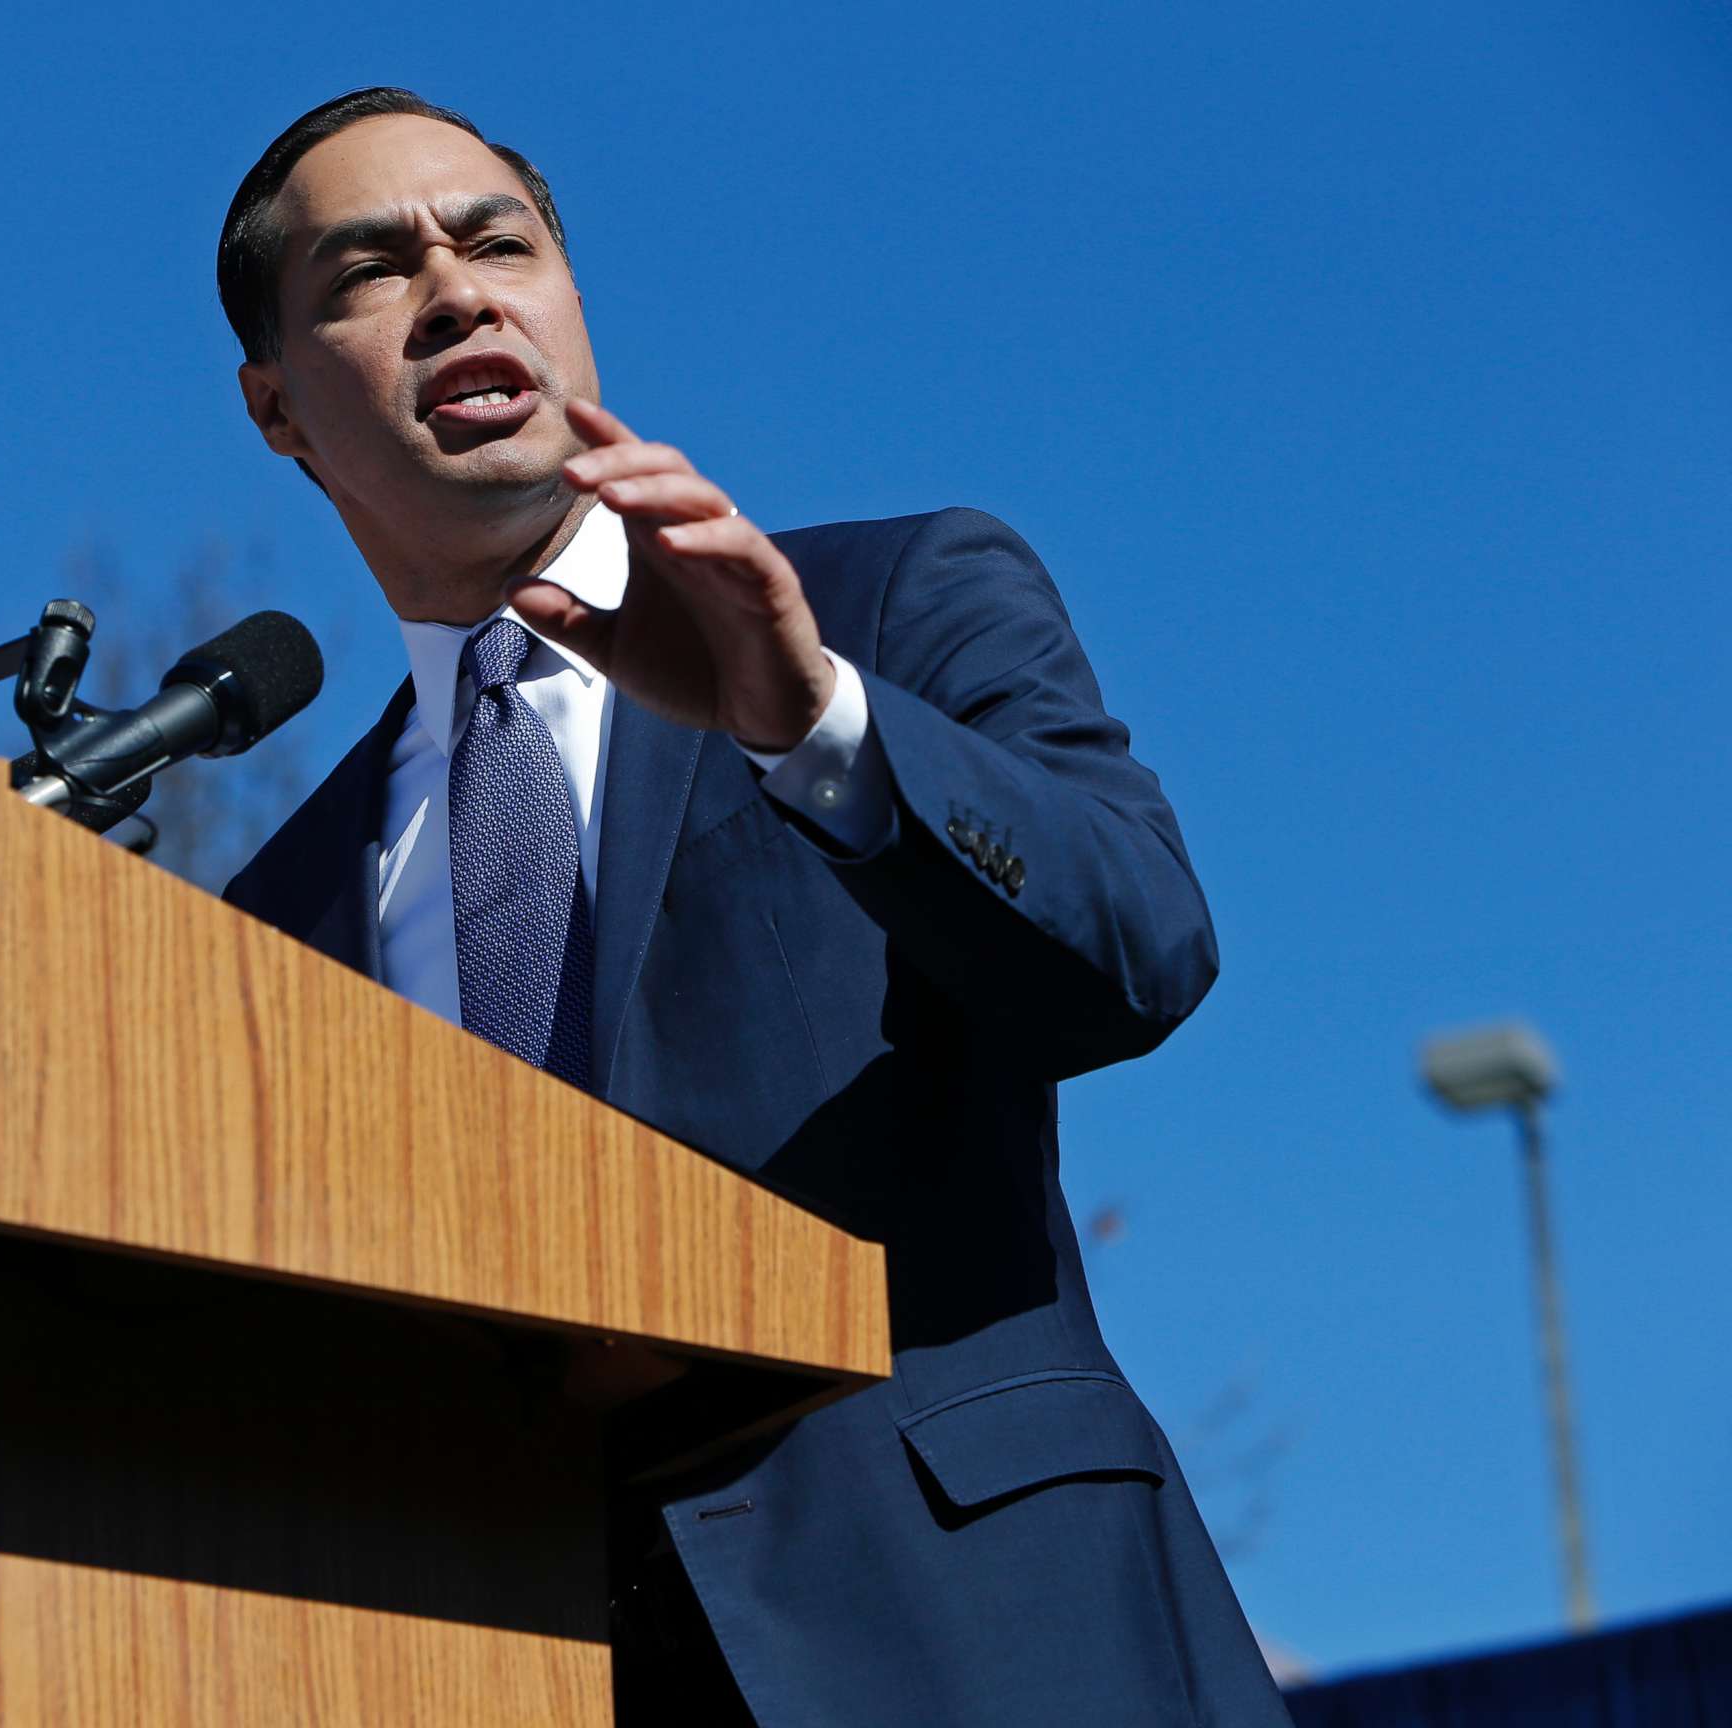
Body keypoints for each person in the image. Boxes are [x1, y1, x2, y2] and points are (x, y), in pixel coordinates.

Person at [214, 87, 1294, 1728]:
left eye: (499, 240)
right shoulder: (272, 923)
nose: (457, 291)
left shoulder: (887, 600)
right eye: (372, 270)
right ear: (278, 407)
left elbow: (1139, 950)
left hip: (971, 1634)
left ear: (568, 300)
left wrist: (815, 724)